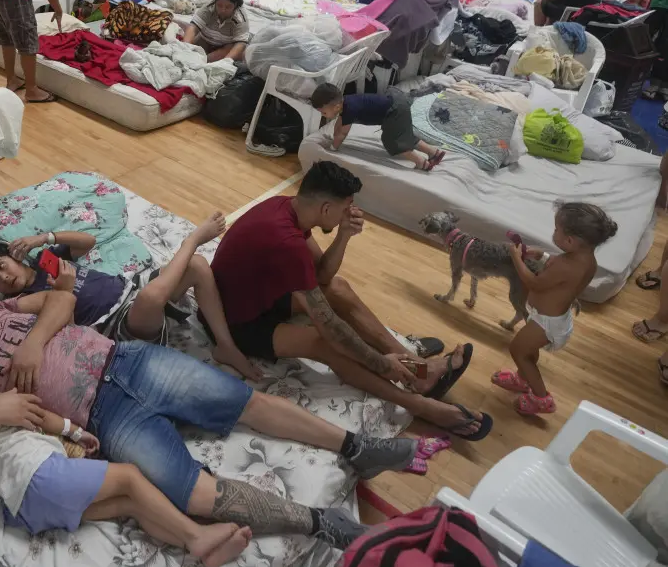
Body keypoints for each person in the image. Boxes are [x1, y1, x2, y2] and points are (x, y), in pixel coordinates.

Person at [0, 279, 421, 550]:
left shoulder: (5, 310)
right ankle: (319, 524)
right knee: (188, 491)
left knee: (245, 402)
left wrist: (33, 344)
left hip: (126, 359)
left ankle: (358, 447)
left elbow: (61, 298)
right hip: (105, 416)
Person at [207, 161, 494, 441]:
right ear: (326, 208)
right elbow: (330, 327)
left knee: (339, 288)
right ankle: (421, 405)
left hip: (257, 295)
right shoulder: (286, 242)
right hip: (235, 321)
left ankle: (419, 371)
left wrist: (343, 234)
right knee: (322, 342)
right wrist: (382, 364)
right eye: (347, 208)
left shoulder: (289, 208)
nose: (352, 212)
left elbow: (323, 275)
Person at [0, 365, 253, 567]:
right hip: (42, 476)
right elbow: (42, 417)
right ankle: (198, 535)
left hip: (26, 506)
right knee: (130, 477)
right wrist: (75, 431)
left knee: (130, 503)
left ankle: (195, 548)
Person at [0, 213, 257, 378]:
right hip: (117, 325)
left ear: (14, 256)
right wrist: (63, 289)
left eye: (1, 266)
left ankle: (225, 345)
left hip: (131, 285)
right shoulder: (23, 303)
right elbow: (62, 323)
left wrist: (43, 238)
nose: (2, 277)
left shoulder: (45, 259)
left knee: (197, 265)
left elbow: (87, 242)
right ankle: (190, 240)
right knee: (152, 298)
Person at [497, 203, 618, 415]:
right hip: (551, 318)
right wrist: (542, 257)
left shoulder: (566, 265)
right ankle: (523, 378)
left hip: (546, 323)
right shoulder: (586, 260)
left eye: (556, 230)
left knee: (518, 350)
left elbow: (534, 283)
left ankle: (541, 399)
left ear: (570, 241)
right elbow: (560, 269)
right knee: (526, 351)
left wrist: (516, 258)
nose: (554, 232)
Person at [310, 83, 445, 171]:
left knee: (392, 141)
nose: (324, 116)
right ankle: (434, 152)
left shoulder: (350, 109)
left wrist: (332, 148)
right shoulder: (346, 103)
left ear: (336, 106)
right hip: (397, 103)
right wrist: (333, 136)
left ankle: (422, 163)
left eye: (324, 112)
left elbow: (342, 134)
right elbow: (338, 125)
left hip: (394, 111)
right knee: (405, 135)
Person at [181, 0, 248, 63]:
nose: (223, 10)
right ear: (215, 2)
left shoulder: (240, 18)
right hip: (205, 40)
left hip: (225, 46)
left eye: (228, 7)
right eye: (219, 5)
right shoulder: (208, 9)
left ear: (235, 5)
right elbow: (193, 27)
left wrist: (226, 62)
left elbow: (240, 44)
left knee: (205, 61)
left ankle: (206, 61)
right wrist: (186, 48)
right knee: (188, 54)